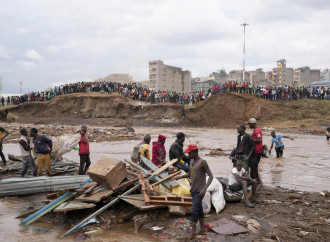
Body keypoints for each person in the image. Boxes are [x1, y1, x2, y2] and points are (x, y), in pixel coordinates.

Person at [173, 144, 213, 240]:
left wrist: (205, 189)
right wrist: (179, 177)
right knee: (199, 209)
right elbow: (190, 174)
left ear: (194, 152)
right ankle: (202, 229)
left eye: (189, 153)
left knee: (194, 210)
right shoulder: (192, 162)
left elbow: (211, 176)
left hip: (200, 190)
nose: (188, 155)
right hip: (193, 189)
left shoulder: (203, 162)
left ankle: (193, 232)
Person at [247, 118, 263, 183]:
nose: (249, 126)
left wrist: (251, 140)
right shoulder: (256, 130)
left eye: (249, 124)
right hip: (256, 150)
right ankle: (254, 179)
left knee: (253, 166)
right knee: (253, 165)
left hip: (257, 150)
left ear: (253, 124)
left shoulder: (257, 130)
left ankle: (256, 180)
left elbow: (259, 139)